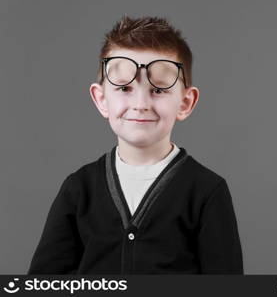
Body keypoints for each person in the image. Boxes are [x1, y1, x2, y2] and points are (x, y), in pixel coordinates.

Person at [27, 15, 243, 274]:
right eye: (124, 88)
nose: (140, 104)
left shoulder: (207, 191)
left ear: (185, 103)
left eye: (159, 90)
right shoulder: (79, 189)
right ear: (101, 99)